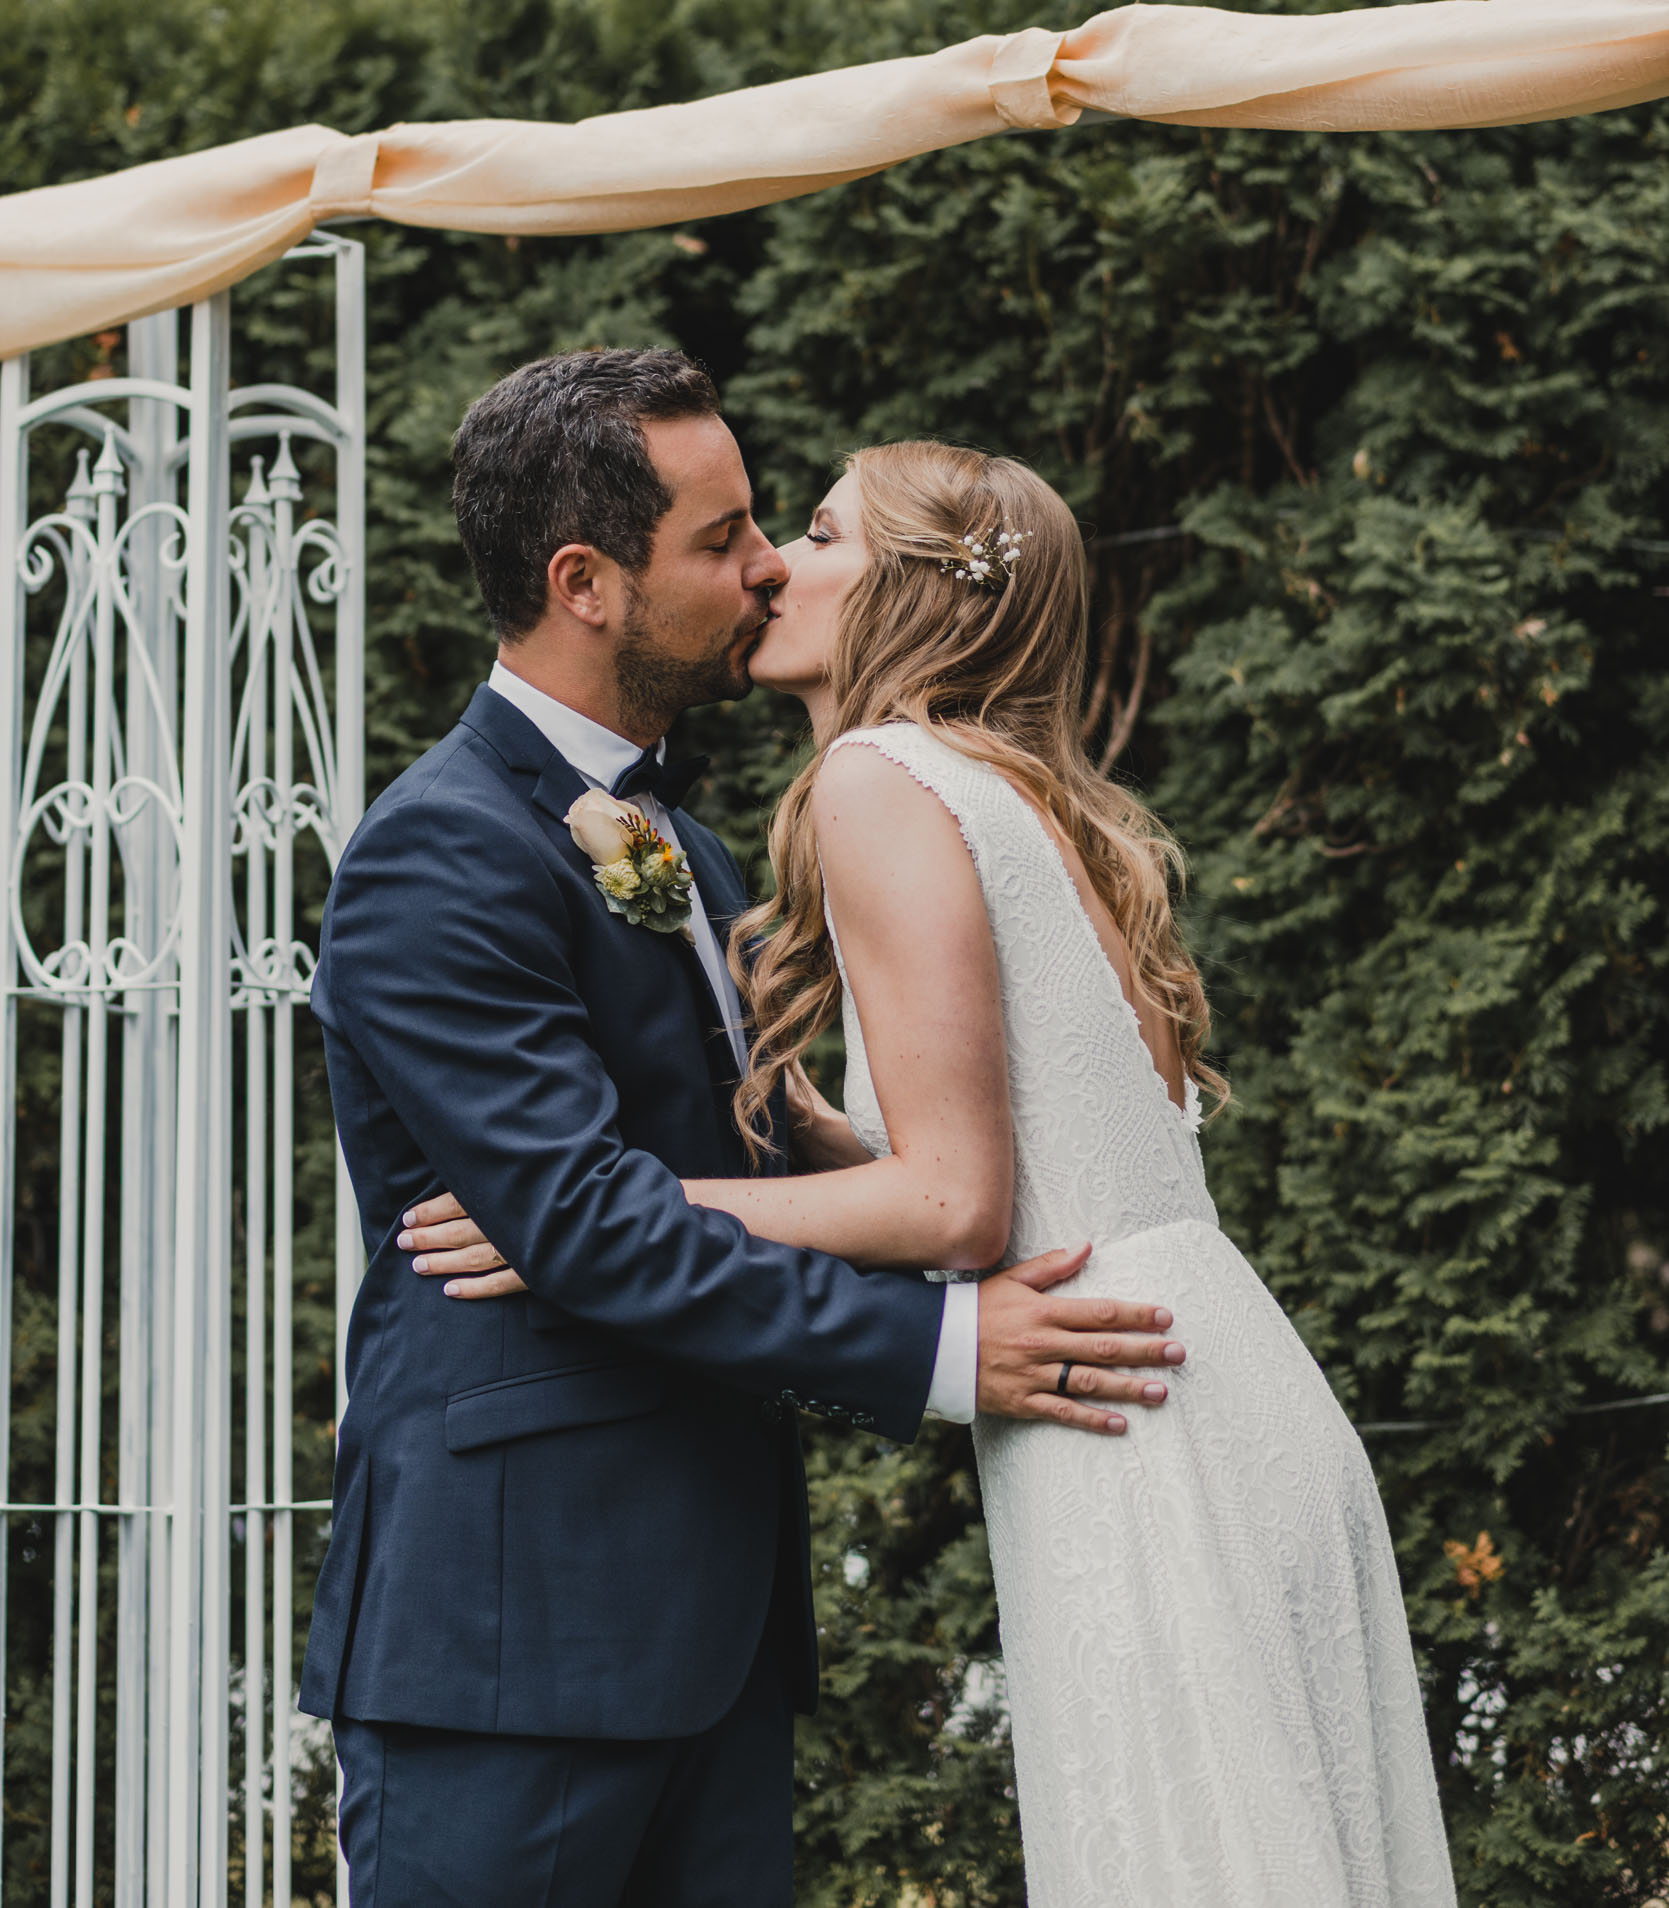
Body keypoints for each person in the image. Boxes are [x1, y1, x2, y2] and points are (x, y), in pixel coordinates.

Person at [413, 435, 1460, 1908]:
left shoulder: (874, 780)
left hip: (1115, 1391)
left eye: (820, 534)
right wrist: (789, 1141)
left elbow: (956, 1205)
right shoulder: (1021, 793)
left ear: (914, 592)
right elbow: (986, 1151)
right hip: (1208, 1373)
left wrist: (585, 1220)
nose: (775, 563)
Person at [301, 351, 1189, 1908]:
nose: (768, 564)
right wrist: (937, 1350)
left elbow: (753, 1179)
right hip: (514, 1634)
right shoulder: (435, 854)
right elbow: (584, 1223)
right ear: (585, 582)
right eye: (723, 540)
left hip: (708, 1632)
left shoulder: (690, 850)